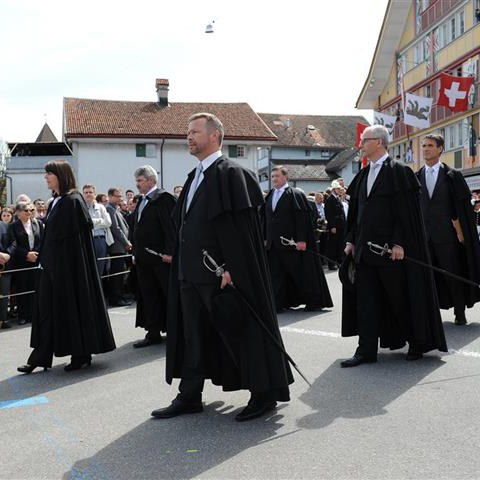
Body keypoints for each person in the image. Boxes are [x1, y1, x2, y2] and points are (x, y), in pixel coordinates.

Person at [152, 112, 293, 422]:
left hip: (220, 276)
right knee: (194, 337)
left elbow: (242, 233)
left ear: (215, 136)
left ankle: (263, 394)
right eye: (187, 132)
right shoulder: (193, 178)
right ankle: (190, 395)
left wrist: (232, 268)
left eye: (194, 132)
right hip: (190, 275)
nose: (188, 137)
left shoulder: (232, 174)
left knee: (240, 333)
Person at [340, 125, 447, 367]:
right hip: (365, 253)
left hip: (390, 253)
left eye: (365, 140)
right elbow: (357, 213)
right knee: (366, 303)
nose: (361, 145)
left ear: (378, 142)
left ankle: (416, 342)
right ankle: (365, 351)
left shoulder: (399, 172)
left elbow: (405, 215)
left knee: (400, 299)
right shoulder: (363, 175)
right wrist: (350, 240)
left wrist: (399, 243)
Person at [17, 160, 116, 373]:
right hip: (49, 267)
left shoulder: (73, 201)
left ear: (60, 175)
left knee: (70, 309)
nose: (45, 177)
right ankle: (40, 357)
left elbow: (75, 243)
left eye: (49, 174)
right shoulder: (55, 201)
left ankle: (81, 354)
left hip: (67, 271)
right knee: (44, 312)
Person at [417, 134, 480, 325]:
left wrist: (462, 235)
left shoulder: (452, 176)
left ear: (440, 149)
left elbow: (463, 210)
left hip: (448, 237)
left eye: (430, 145)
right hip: (424, 238)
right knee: (426, 279)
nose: (426, 149)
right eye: (424, 146)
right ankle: (429, 315)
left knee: (453, 274)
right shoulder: (415, 177)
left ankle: (459, 313)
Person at [262, 166, 333, 312]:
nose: (274, 179)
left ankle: (314, 300)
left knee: (301, 273)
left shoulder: (295, 194)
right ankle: (278, 303)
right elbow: (265, 219)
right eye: (272, 176)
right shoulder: (270, 195)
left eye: (277, 176)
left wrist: (301, 240)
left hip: (292, 243)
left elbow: (301, 220)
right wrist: (265, 238)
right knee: (276, 274)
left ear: (286, 177)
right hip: (273, 244)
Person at [131, 165, 176, 348]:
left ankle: (175, 330)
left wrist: (170, 252)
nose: (137, 185)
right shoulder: (143, 201)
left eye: (140, 181)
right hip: (144, 259)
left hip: (161, 259)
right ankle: (153, 332)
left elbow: (171, 228)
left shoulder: (164, 199)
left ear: (150, 180)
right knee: (149, 296)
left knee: (167, 294)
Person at [8, 202, 43, 325]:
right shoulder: (13, 226)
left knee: (35, 287)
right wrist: (27, 254)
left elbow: (42, 240)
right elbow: (13, 244)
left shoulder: (37, 223)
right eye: (25, 210)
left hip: (36, 260)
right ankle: (23, 315)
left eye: (30, 210)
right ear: (18, 212)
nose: (28, 212)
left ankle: (34, 314)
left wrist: (36, 254)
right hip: (21, 262)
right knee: (22, 288)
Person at [105, 188, 132, 307]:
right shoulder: (110, 209)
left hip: (121, 247)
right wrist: (126, 242)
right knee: (117, 274)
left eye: (120, 196)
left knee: (121, 274)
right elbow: (116, 229)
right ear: (110, 196)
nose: (120, 198)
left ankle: (119, 296)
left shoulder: (116, 209)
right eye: (117, 196)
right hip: (116, 247)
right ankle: (115, 298)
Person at [82, 184, 112, 277]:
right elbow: (83, 224)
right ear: (83, 194)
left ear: (94, 194)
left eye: (90, 192)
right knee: (87, 267)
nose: (88, 194)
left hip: (100, 240)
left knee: (100, 267)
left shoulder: (101, 207)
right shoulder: (80, 207)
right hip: (86, 240)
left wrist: (92, 222)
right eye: (86, 192)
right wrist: (99, 221)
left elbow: (108, 222)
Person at [324, 180, 347, 270]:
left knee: (340, 244)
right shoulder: (330, 200)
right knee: (333, 245)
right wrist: (332, 226)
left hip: (340, 225)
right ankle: (332, 263)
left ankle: (339, 261)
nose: (339, 190)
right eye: (338, 189)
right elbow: (329, 214)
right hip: (335, 226)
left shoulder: (337, 198)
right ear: (334, 189)